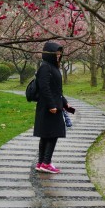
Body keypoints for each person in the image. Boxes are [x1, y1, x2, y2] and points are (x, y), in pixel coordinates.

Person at [33, 41, 74, 174]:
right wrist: (52, 105)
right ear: (49, 53)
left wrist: (65, 103)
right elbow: (44, 87)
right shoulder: (45, 67)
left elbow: (57, 89)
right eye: (56, 53)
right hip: (49, 107)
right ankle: (46, 163)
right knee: (52, 134)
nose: (58, 55)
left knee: (46, 135)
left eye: (59, 53)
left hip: (54, 105)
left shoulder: (52, 66)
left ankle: (41, 163)